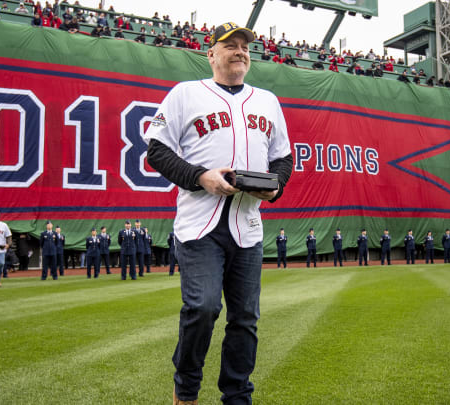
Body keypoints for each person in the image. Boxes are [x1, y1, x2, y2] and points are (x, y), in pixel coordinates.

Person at [144, 22, 292, 405]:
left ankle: (237, 396)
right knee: (203, 306)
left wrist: (276, 184)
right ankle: (187, 389)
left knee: (245, 319)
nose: (240, 51)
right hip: (200, 224)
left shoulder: (267, 101)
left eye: (245, 46)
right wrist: (199, 176)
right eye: (230, 45)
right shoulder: (185, 94)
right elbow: (156, 150)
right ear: (211, 54)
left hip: (249, 225)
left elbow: (283, 157)